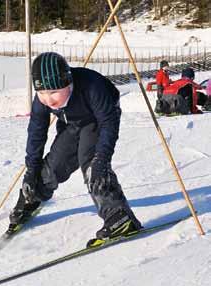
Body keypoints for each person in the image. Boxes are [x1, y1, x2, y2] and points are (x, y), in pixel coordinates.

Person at [8, 52, 142, 240]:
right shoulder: (41, 100)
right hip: (72, 122)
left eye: (53, 92)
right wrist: (31, 171)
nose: (48, 99)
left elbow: (108, 124)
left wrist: (101, 160)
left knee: (91, 164)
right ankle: (33, 196)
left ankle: (119, 218)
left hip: (98, 119)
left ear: (69, 84)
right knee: (56, 162)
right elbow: (36, 133)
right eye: (42, 93)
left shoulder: (92, 86)